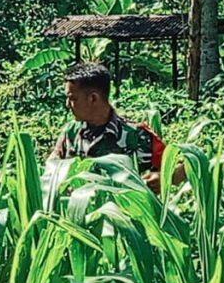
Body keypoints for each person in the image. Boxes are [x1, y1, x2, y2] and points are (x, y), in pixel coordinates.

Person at [50, 61, 185, 192]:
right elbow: (52, 169)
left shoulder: (136, 136)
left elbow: (184, 166)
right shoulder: (71, 133)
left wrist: (164, 178)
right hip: (75, 212)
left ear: (93, 98)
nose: (67, 104)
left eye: (73, 99)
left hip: (120, 213)